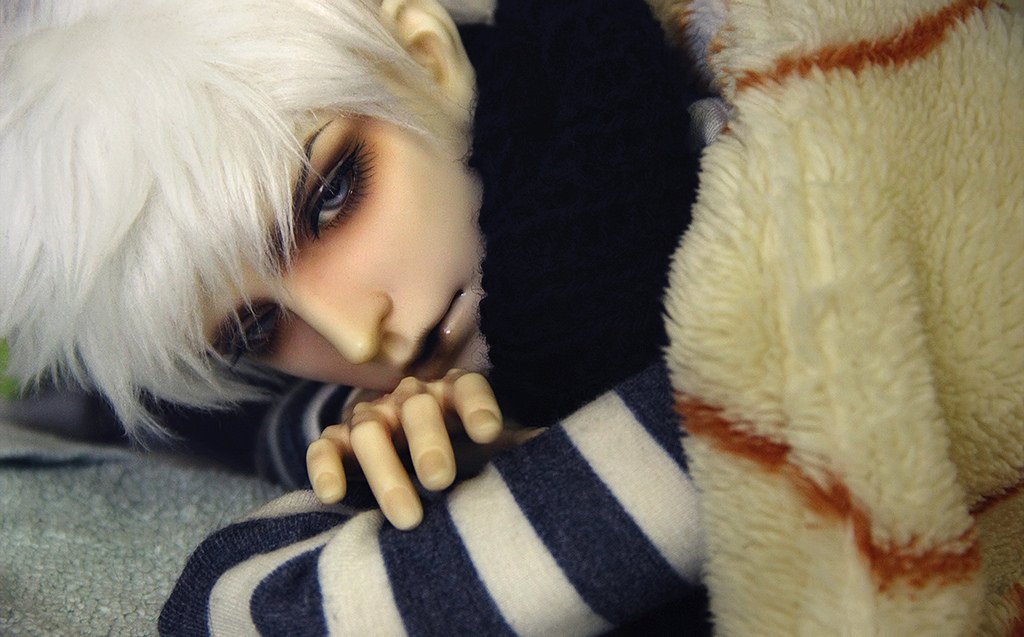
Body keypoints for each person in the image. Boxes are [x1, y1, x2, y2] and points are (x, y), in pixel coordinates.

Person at [1, 0, 712, 632]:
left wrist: (532, 466)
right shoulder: (342, 420)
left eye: (331, 198)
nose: (354, 334)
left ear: (426, 58)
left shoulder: (729, 162)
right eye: (255, 330)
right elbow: (233, 602)